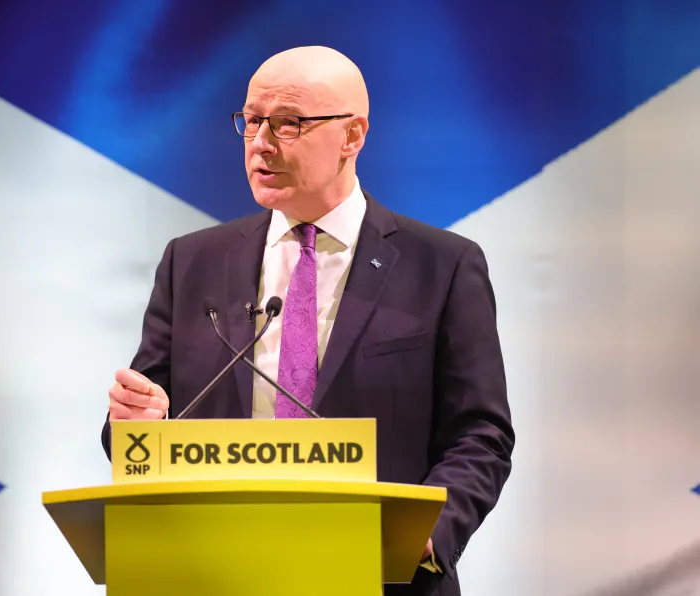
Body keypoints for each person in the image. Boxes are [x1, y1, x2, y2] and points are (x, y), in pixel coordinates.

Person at [101, 45, 515, 596]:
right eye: (251, 121)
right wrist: (136, 425)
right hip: (217, 574)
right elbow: (145, 425)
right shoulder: (192, 261)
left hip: (378, 575)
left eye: (289, 123)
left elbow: (480, 434)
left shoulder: (442, 265)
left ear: (352, 136)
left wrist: (427, 535)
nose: (261, 142)